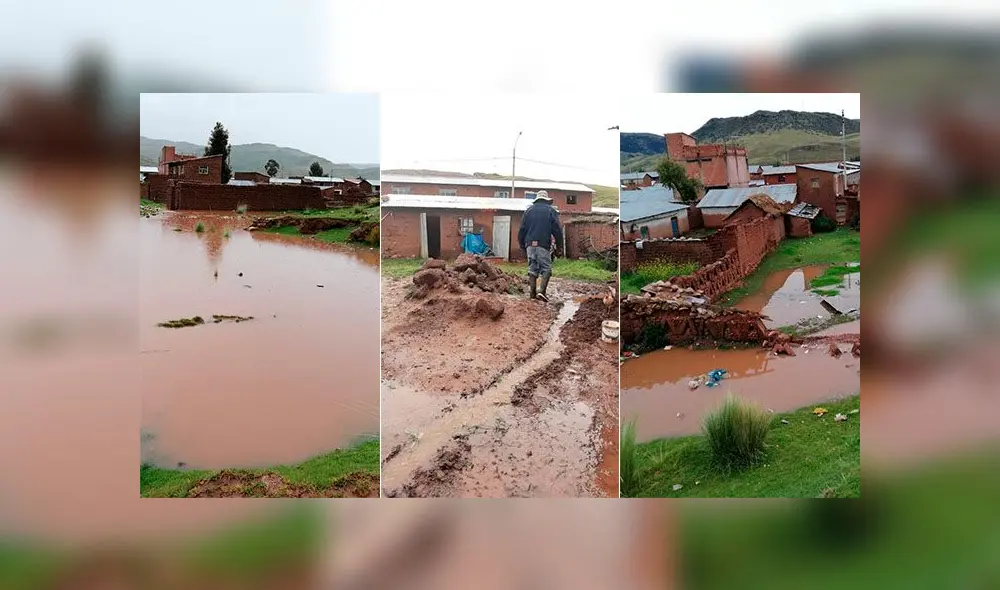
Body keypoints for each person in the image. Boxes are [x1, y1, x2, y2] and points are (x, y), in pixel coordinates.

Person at [517, 190, 563, 302]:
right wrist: (559, 247)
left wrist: (523, 245)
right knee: (546, 269)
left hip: (529, 245)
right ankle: (541, 292)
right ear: (546, 200)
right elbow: (557, 230)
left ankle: (532, 294)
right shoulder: (551, 211)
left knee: (532, 268)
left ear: (537, 199)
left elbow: (521, 230)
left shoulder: (528, 211)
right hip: (543, 244)